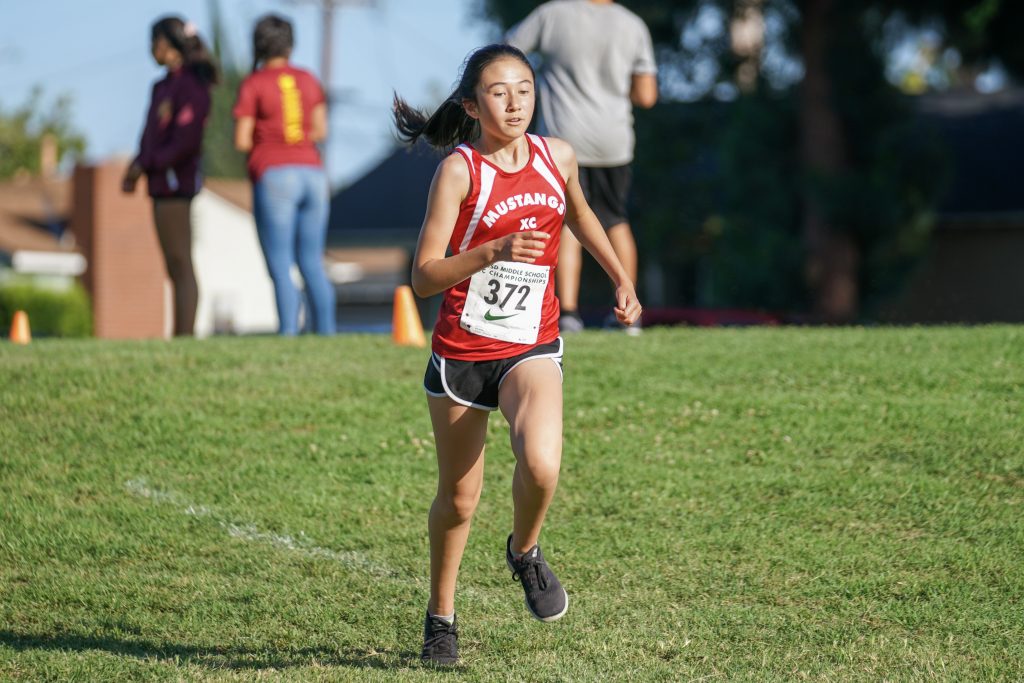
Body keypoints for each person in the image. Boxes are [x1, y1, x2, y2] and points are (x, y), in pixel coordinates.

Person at [393, 43, 641, 665]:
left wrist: (620, 278)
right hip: (463, 352)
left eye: (525, 90)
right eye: (499, 93)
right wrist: (492, 252)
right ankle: (441, 618)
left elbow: (581, 215)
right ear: (472, 107)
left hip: (531, 343)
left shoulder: (558, 156)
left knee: (542, 464)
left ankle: (524, 551)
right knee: (459, 499)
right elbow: (423, 276)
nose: (515, 103)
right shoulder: (460, 171)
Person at [506, 0, 657, 333]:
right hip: (613, 141)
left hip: (563, 140)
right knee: (616, 219)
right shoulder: (632, 24)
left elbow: (504, 57)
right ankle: (630, 314)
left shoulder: (552, 15)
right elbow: (647, 96)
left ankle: (569, 314)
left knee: (567, 222)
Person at [233, 14, 336, 336]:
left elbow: (241, 140)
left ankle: (288, 334)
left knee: (280, 264)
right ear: (290, 45)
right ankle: (327, 334)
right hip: (313, 175)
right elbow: (320, 130)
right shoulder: (308, 79)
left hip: (275, 175)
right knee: (312, 262)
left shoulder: (254, 83)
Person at [122, 16, 218, 337]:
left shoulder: (191, 84)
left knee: (180, 259)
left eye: (155, 41)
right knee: (171, 262)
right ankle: (179, 333)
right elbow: (150, 134)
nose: (151, 48)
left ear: (171, 44)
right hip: (159, 182)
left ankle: (184, 336)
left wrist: (149, 163)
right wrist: (138, 164)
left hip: (177, 181)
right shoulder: (161, 86)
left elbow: (186, 140)